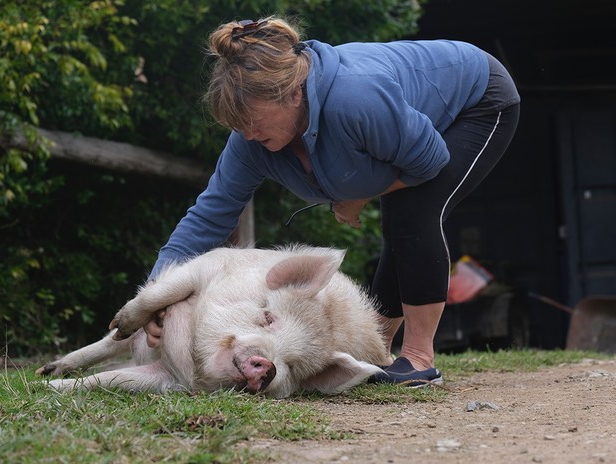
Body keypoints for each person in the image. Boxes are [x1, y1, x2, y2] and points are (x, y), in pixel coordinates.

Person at [141, 16, 520, 385]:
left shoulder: (354, 98)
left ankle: (419, 358)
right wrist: (156, 294)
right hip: (412, 123)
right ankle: (382, 351)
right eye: (239, 124)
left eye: (254, 120)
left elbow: (430, 160)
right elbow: (209, 216)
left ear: (293, 93)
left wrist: (358, 197)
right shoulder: (249, 141)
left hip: (479, 100)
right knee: (398, 222)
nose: (249, 134)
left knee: (413, 213)